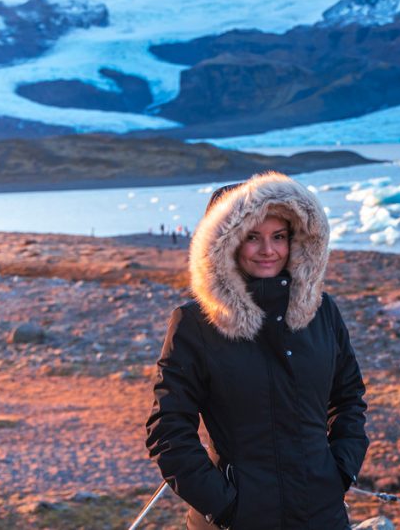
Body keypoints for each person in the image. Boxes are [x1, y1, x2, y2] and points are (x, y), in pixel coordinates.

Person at [146, 172, 369, 529]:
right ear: (224, 243)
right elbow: (168, 428)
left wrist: (339, 470)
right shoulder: (196, 323)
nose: (268, 250)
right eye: (252, 237)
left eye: (278, 236)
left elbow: (348, 398)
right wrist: (224, 504)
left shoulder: (320, 311)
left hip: (321, 515)